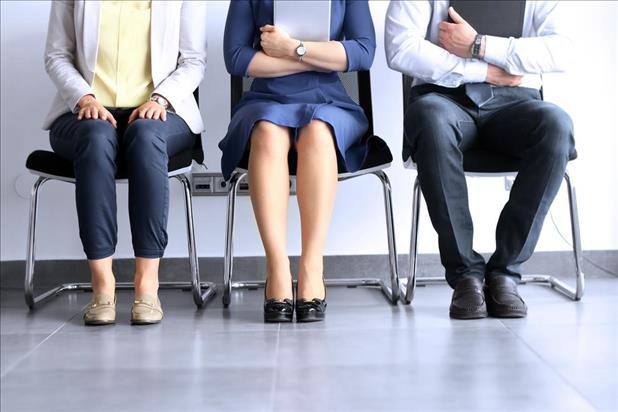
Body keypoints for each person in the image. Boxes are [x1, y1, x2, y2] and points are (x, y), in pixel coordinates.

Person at [385, 1, 575, 319]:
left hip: (517, 103)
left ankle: (505, 273)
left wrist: (479, 45)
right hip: (443, 98)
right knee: (431, 119)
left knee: (556, 126)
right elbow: (401, 48)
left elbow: (562, 50)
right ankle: (465, 276)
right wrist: (483, 70)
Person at [43, 1, 207, 325]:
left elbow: (193, 61)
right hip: (85, 112)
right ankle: (102, 285)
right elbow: (56, 55)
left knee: (146, 137)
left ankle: (147, 284)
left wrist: (160, 99)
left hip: (161, 111)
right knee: (95, 136)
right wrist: (84, 98)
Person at [220, 0, 376, 323]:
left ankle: (311, 266)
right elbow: (235, 57)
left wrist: (292, 48)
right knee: (265, 132)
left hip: (328, 100)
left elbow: (363, 51)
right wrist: (314, 58)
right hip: (267, 98)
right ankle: (276, 267)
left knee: (318, 132)